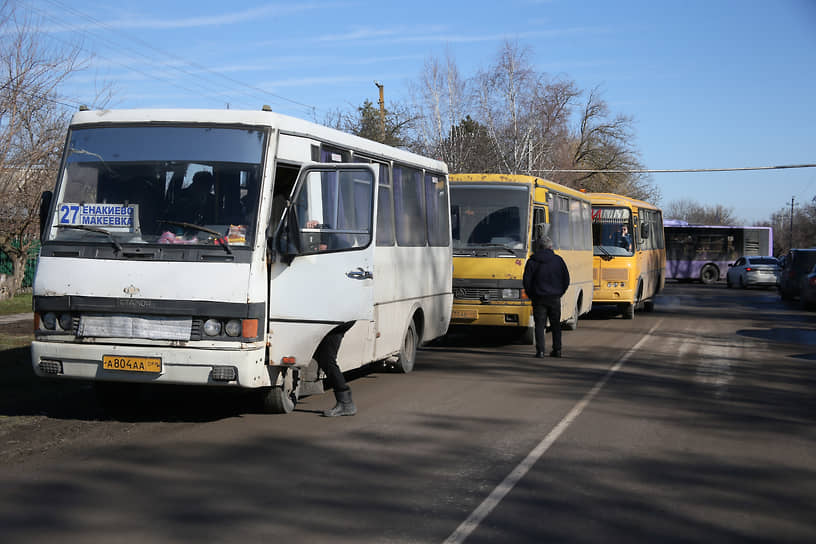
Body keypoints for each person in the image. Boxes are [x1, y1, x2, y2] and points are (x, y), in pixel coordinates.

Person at [523, 236, 570, 358]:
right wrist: (560, 292)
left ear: (538, 247)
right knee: (555, 325)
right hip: (554, 297)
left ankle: (540, 351)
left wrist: (531, 295)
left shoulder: (532, 261)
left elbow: (526, 281)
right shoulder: (558, 260)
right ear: (550, 247)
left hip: (538, 298)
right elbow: (566, 279)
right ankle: (557, 350)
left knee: (539, 325)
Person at [315, 322, 357, 417]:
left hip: (336, 322)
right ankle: (345, 403)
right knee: (325, 358)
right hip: (335, 321)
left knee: (327, 359)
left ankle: (346, 403)